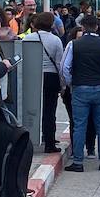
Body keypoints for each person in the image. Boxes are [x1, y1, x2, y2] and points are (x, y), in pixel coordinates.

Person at [62, 14, 100, 172]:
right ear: (97, 27)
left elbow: (64, 68)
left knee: (79, 126)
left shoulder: (74, 44)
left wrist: (71, 82)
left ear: (83, 27)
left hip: (80, 88)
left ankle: (78, 162)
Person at [31, 12, 65, 155]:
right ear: (51, 24)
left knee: (32, 109)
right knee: (50, 110)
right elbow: (60, 64)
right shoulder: (56, 40)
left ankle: (32, 138)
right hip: (51, 77)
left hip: (33, 76)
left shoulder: (28, 38)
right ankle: (49, 142)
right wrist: (63, 84)